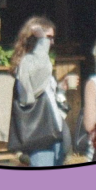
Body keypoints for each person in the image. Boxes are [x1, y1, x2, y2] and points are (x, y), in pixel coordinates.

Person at [9, 17, 71, 167]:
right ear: (35, 38)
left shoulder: (40, 62)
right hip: (40, 138)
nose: (51, 42)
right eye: (48, 37)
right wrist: (42, 39)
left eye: (51, 38)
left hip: (53, 134)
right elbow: (28, 96)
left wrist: (60, 89)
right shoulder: (28, 63)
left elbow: (47, 97)